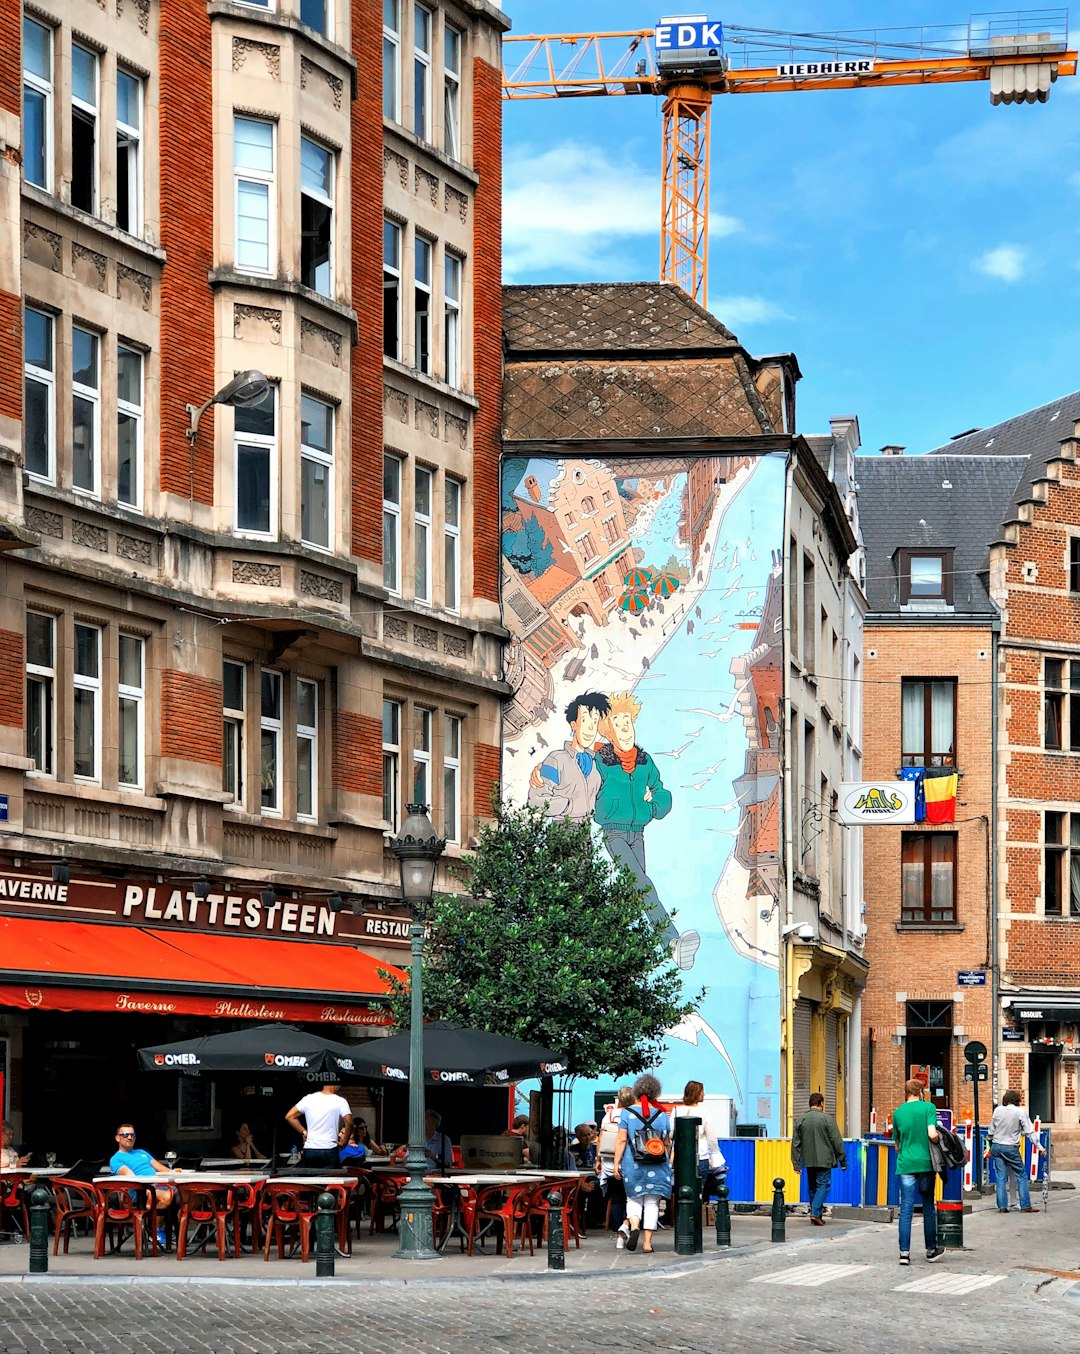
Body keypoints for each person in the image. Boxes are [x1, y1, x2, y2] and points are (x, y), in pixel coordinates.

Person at [613, 1073, 673, 1255]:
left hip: (633, 1164)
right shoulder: (662, 1115)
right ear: (656, 1093)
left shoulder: (626, 1113)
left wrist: (616, 1163)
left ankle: (634, 1225)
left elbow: (621, 1140)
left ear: (637, 1092)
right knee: (653, 1202)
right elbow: (667, 1143)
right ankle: (647, 1242)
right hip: (657, 1164)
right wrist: (669, 1162)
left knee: (633, 1199)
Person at [527, 691, 609, 821]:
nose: (590, 728)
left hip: (585, 830)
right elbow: (536, 800)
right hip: (562, 828)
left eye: (594, 722)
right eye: (584, 720)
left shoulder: (596, 764)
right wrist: (567, 806)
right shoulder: (557, 759)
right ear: (574, 724)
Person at [892, 1079, 944, 1265]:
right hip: (925, 1164)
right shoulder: (928, 1107)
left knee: (906, 1209)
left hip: (906, 1164)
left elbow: (896, 1144)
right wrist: (940, 1139)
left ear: (906, 1092)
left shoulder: (897, 1113)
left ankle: (904, 1253)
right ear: (921, 1091)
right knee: (928, 1206)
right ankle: (931, 1250)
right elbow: (932, 1133)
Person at [109, 1123, 178, 1251]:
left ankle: (176, 1231)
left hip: (160, 1185)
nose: (129, 1137)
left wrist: (177, 1173)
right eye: (125, 1135)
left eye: (132, 1135)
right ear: (118, 1138)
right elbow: (133, 1179)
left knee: (193, 1195)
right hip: (140, 1191)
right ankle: (156, 1231)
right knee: (167, 1197)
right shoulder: (116, 1159)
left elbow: (162, 1169)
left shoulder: (142, 1153)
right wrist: (148, 1189)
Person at [791, 1092, 846, 1226]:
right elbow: (837, 1141)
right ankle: (815, 1213)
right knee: (823, 1185)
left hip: (808, 1160)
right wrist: (842, 1160)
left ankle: (817, 1215)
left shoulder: (800, 1120)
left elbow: (795, 1144)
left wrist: (796, 1164)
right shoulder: (827, 1119)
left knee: (812, 1188)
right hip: (825, 1159)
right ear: (821, 1104)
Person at [987, 1088, 1045, 1214]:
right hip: (1010, 1147)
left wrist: (991, 1142)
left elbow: (991, 1130)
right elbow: (1030, 1132)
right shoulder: (1020, 1112)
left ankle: (1002, 1206)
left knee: (1000, 1177)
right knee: (1021, 1175)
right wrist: (1040, 1147)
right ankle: (1025, 1206)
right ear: (1017, 1100)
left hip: (996, 1146)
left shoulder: (997, 1110)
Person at [673, 1080, 728, 1205]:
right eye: (702, 1092)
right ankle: (696, 1217)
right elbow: (712, 1138)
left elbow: (671, 1134)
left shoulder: (676, 1111)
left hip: (680, 1158)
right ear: (696, 1094)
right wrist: (715, 1155)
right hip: (701, 1157)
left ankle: (681, 1216)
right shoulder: (704, 1112)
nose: (704, 1094)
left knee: (682, 1187)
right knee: (699, 1188)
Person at [285, 1083, 352, 1168]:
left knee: (311, 1180)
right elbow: (349, 1122)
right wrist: (344, 1142)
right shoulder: (340, 1101)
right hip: (330, 1148)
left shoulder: (308, 1099)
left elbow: (289, 1116)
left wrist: (304, 1132)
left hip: (310, 1149)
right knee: (330, 1179)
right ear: (335, 1084)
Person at [597, 1087, 634, 1232]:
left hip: (609, 1161)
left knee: (616, 1197)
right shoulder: (632, 1115)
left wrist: (598, 1160)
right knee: (630, 1196)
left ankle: (617, 1225)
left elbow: (600, 1138)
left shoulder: (609, 1115)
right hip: (627, 1160)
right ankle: (628, 1224)